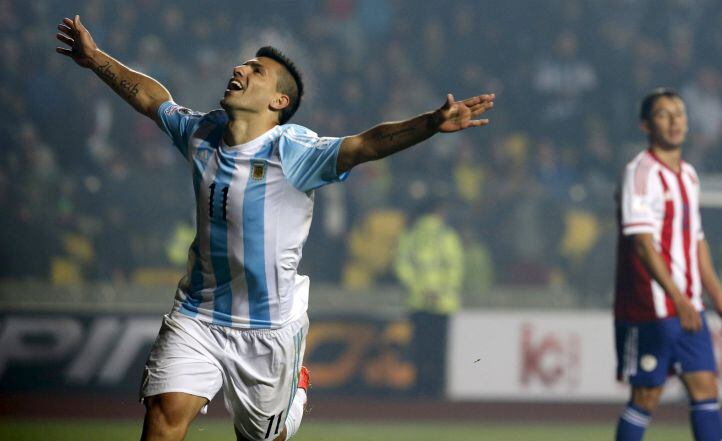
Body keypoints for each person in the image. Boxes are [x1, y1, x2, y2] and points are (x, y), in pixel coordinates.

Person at [56, 14, 494, 441]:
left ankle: (295, 392)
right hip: (199, 313)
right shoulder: (202, 133)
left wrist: (430, 125)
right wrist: (96, 59)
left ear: (278, 101)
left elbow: (365, 144)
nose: (239, 69)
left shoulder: (293, 150)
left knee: (266, 436)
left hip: (269, 330)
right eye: (244, 64)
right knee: (164, 415)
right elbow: (154, 100)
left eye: (255, 70)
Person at [613, 88, 722, 441]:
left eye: (679, 114)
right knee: (647, 395)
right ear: (645, 124)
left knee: (705, 388)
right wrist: (678, 298)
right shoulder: (640, 173)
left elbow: (696, 241)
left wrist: (718, 297)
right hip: (649, 306)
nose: (674, 122)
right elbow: (642, 244)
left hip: (689, 306)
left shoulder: (689, 175)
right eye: (663, 115)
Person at [394, 200, 463, 397]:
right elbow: (455, 267)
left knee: (420, 348)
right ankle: (438, 390)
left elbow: (402, 265)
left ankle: (420, 389)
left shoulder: (411, 235)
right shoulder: (447, 235)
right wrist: (440, 291)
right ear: (439, 212)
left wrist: (421, 289)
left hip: (418, 301)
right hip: (443, 303)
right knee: (439, 349)